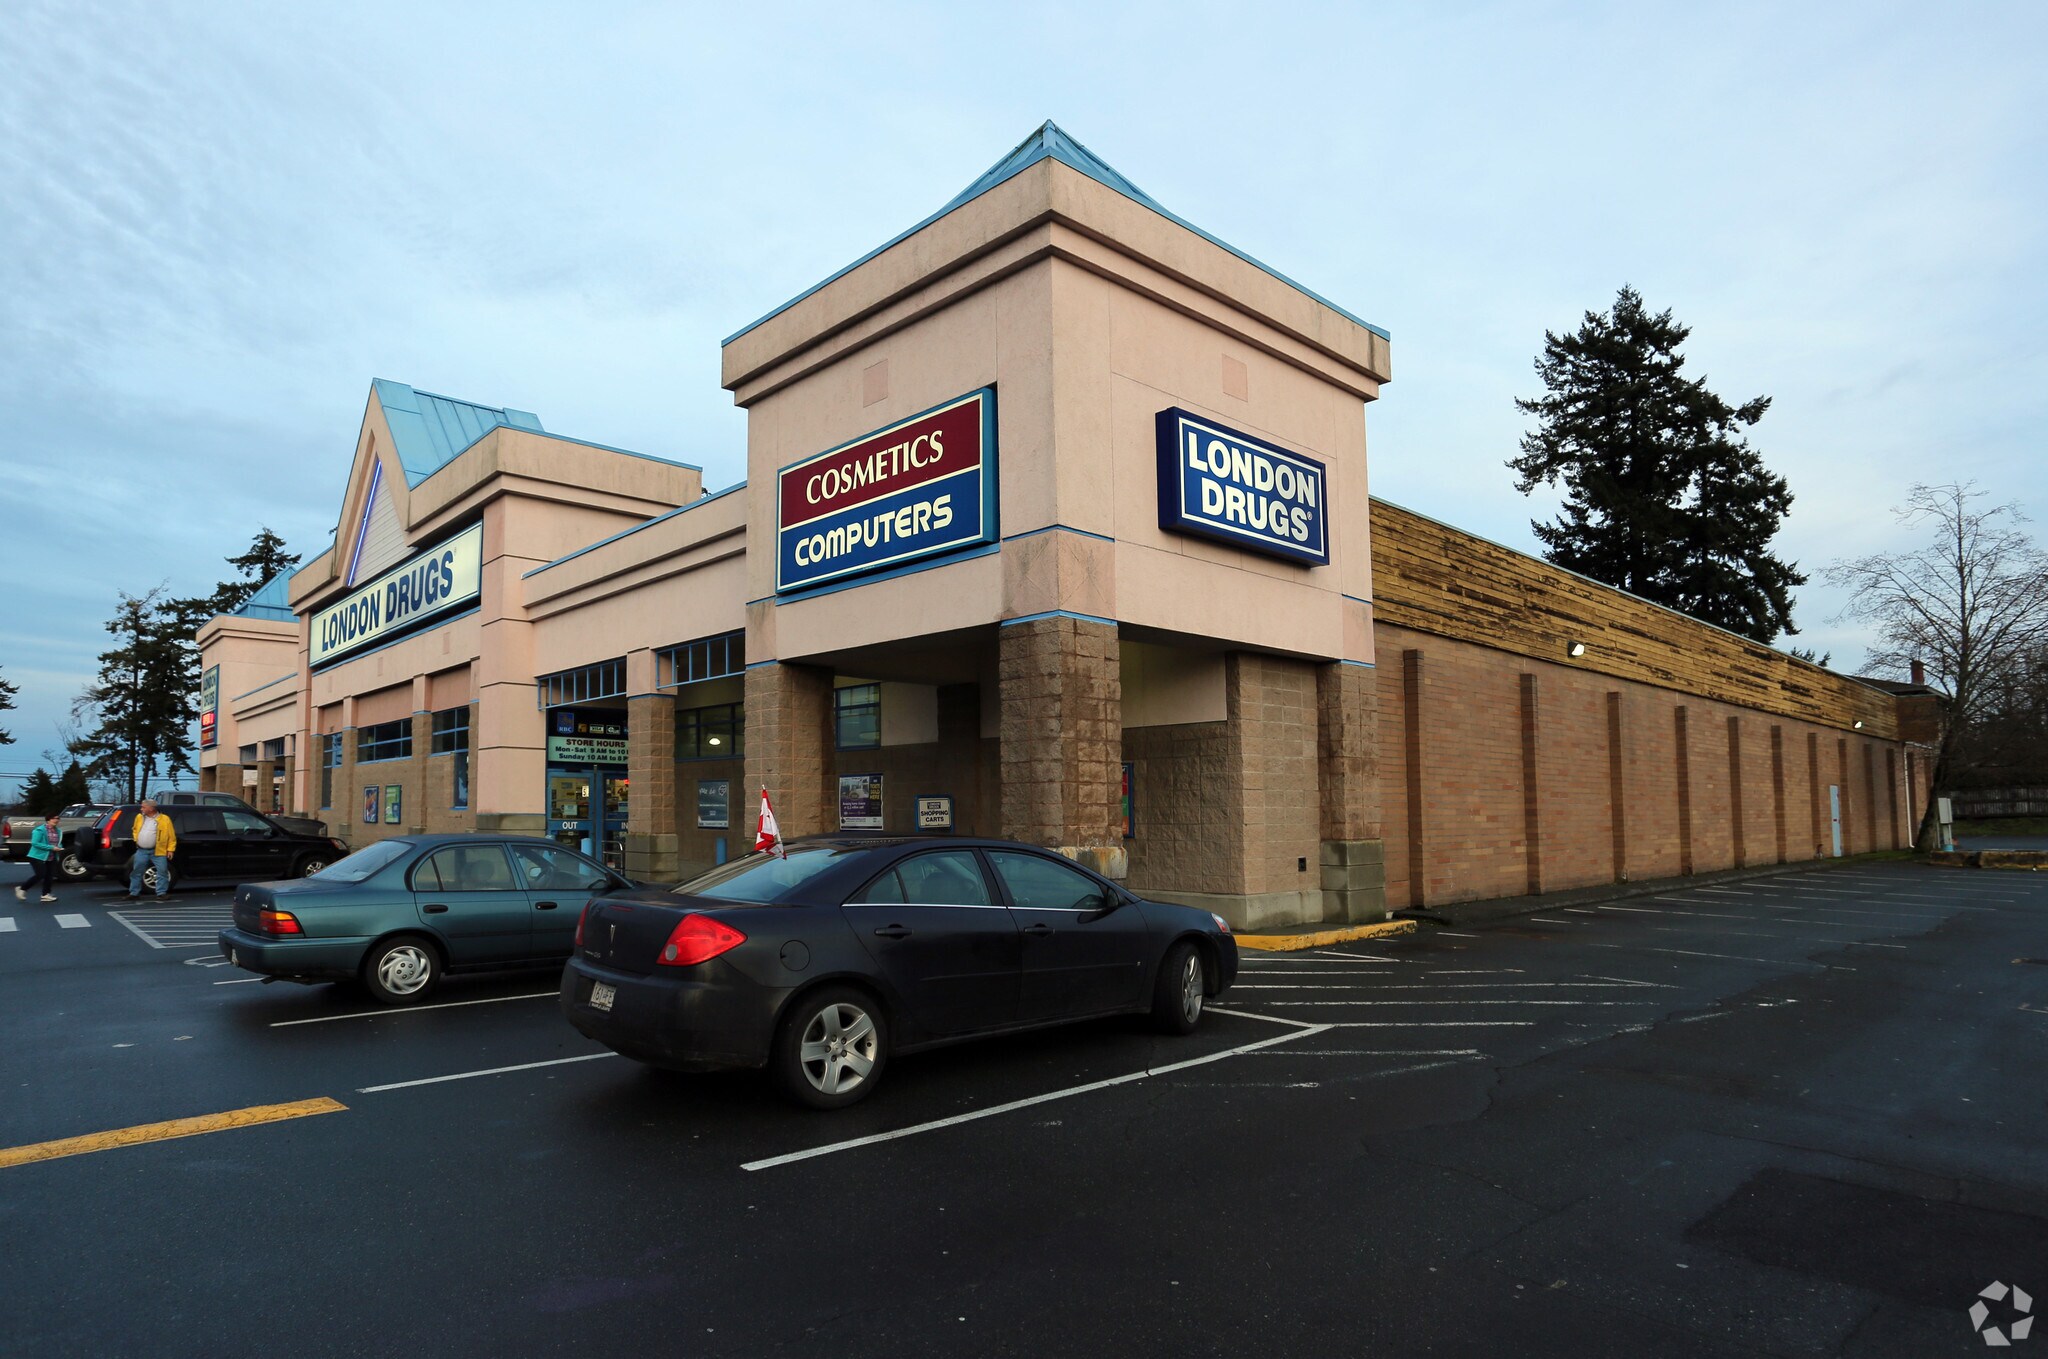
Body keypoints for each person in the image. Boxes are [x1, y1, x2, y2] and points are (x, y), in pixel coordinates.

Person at [126, 799, 177, 900]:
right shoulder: (139, 817)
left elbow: (171, 836)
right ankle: (134, 893)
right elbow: (135, 829)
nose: (141, 809)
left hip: (158, 850)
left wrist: (170, 849)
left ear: (151, 808)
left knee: (162, 871)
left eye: (144, 807)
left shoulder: (164, 819)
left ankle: (161, 893)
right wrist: (137, 839)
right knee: (137, 871)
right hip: (142, 850)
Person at [15, 813, 63, 903]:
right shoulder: (39, 830)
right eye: (54, 818)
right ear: (48, 820)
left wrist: (59, 847)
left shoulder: (58, 831)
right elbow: (35, 843)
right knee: (41, 874)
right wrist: (51, 848)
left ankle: (45, 895)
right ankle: (22, 889)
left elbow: (58, 842)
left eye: (58, 818)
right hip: (37, 856)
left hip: (51, 856)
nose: (56, 820)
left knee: (49, 876)